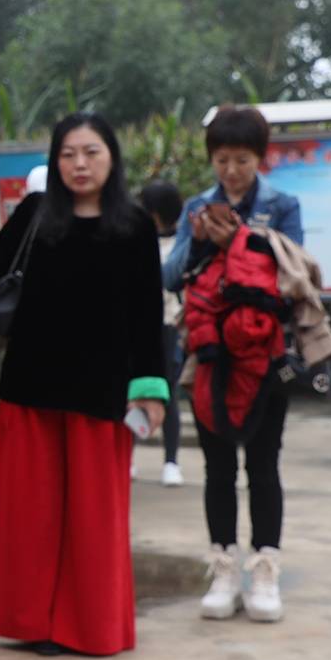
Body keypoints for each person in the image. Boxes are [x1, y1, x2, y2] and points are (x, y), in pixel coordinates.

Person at [0, 114, 166, 657]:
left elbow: (147, 314)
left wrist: (150, 387)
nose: (79, 164)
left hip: (102, 393)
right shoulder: (33, 213)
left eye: (91, 152)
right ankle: (31, 623)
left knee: (94, 523)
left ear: (111, 157)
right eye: (68, 154)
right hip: (32, 386)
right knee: (31, 517)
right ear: (55, 160)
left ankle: (89, 628)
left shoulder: (136, 225)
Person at [162, 104, 303, 624]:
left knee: (264, 463)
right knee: (218, 466)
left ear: (259, 158)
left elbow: (296, 273)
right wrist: (200, 239)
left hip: (266, 353)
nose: (231, 171)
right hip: (209, 352)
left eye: (242, 159)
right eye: (222, 160)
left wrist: (244, 241)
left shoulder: (282, 205)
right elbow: (172, 274)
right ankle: (223, 565)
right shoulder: (199, 206)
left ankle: (265, 568)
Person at [140, 179, 186, 488]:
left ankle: (171, 461)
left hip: (170, 326)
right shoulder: (136, 239)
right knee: (133, 394)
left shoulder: (183, 244)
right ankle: (127, 455)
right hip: (139, 326)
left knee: (167, 395)